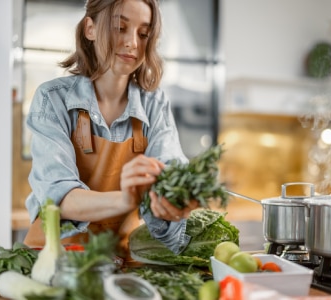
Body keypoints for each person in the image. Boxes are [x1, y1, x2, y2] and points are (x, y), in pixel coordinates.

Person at [22, 0, 199, 260]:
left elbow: (170, 170)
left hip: (122, 263)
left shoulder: (154, 103)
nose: (133, 43)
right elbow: (57, 196)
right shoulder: (52, 99)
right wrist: (127, 200)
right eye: (120, 27)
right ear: (90, 29)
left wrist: (176, 198)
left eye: (143, 34)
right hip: (58, 263)